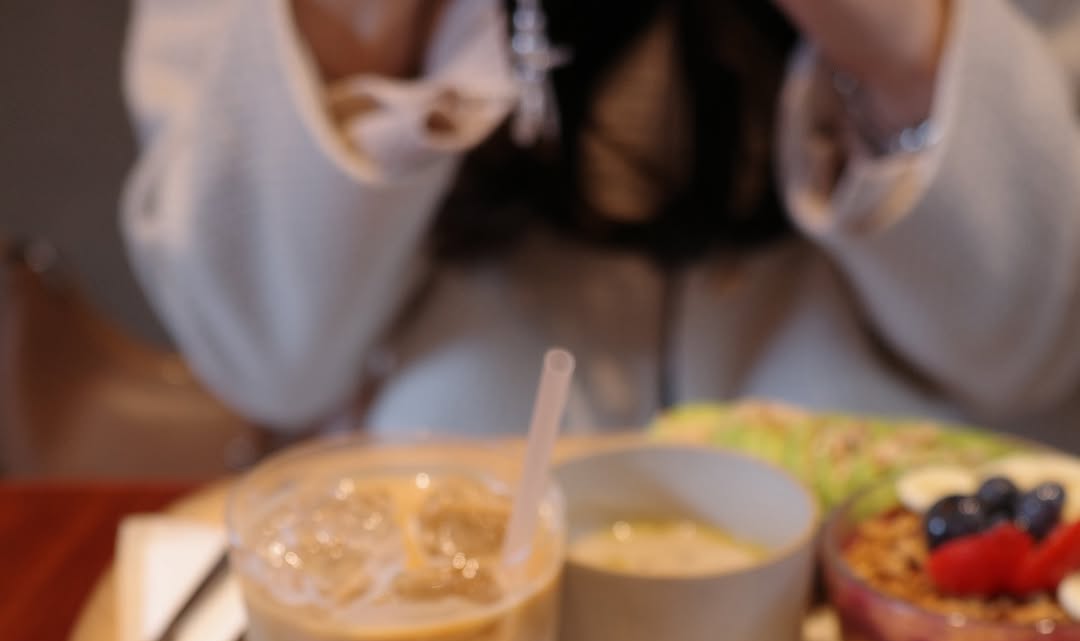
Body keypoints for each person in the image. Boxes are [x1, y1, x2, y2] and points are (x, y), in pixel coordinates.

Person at [120, 0, 1080, 448]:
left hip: (894, 581)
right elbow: (268, 360)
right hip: (438, 570)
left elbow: (1033, 351)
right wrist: (357, 35)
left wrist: (904, 44)